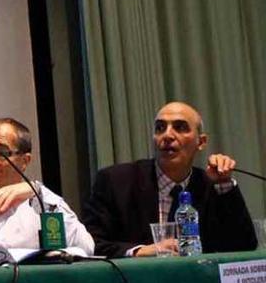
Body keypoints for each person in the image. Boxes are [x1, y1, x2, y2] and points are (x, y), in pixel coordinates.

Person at [81, 101, 257, 258]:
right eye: (160, 128)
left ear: (201, 142)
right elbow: (90, 244)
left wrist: (224, 184)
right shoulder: (116, 182)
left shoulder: (209, 185)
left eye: (180, 128)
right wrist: (139, 251)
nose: (168, 135)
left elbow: (244, 246)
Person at [0, 118, 94, 263]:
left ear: (25, 161)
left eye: (0, 152)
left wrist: (37, 189)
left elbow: (86, 247)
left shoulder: (41, 203)